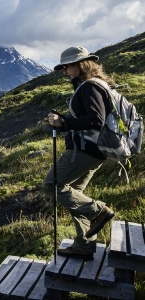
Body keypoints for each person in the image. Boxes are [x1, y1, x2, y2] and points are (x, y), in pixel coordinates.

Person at [43, 46, 116, 260]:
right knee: (73, 193)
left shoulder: (89, 87)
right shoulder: (96, 85)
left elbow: (95, 120)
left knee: (52, 184)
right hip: (95, 151)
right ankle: (84, 244)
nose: (65, 71)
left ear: (80, 64)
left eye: (67, 66)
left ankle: (99, 211)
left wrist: (63, 122)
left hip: (85, 150)